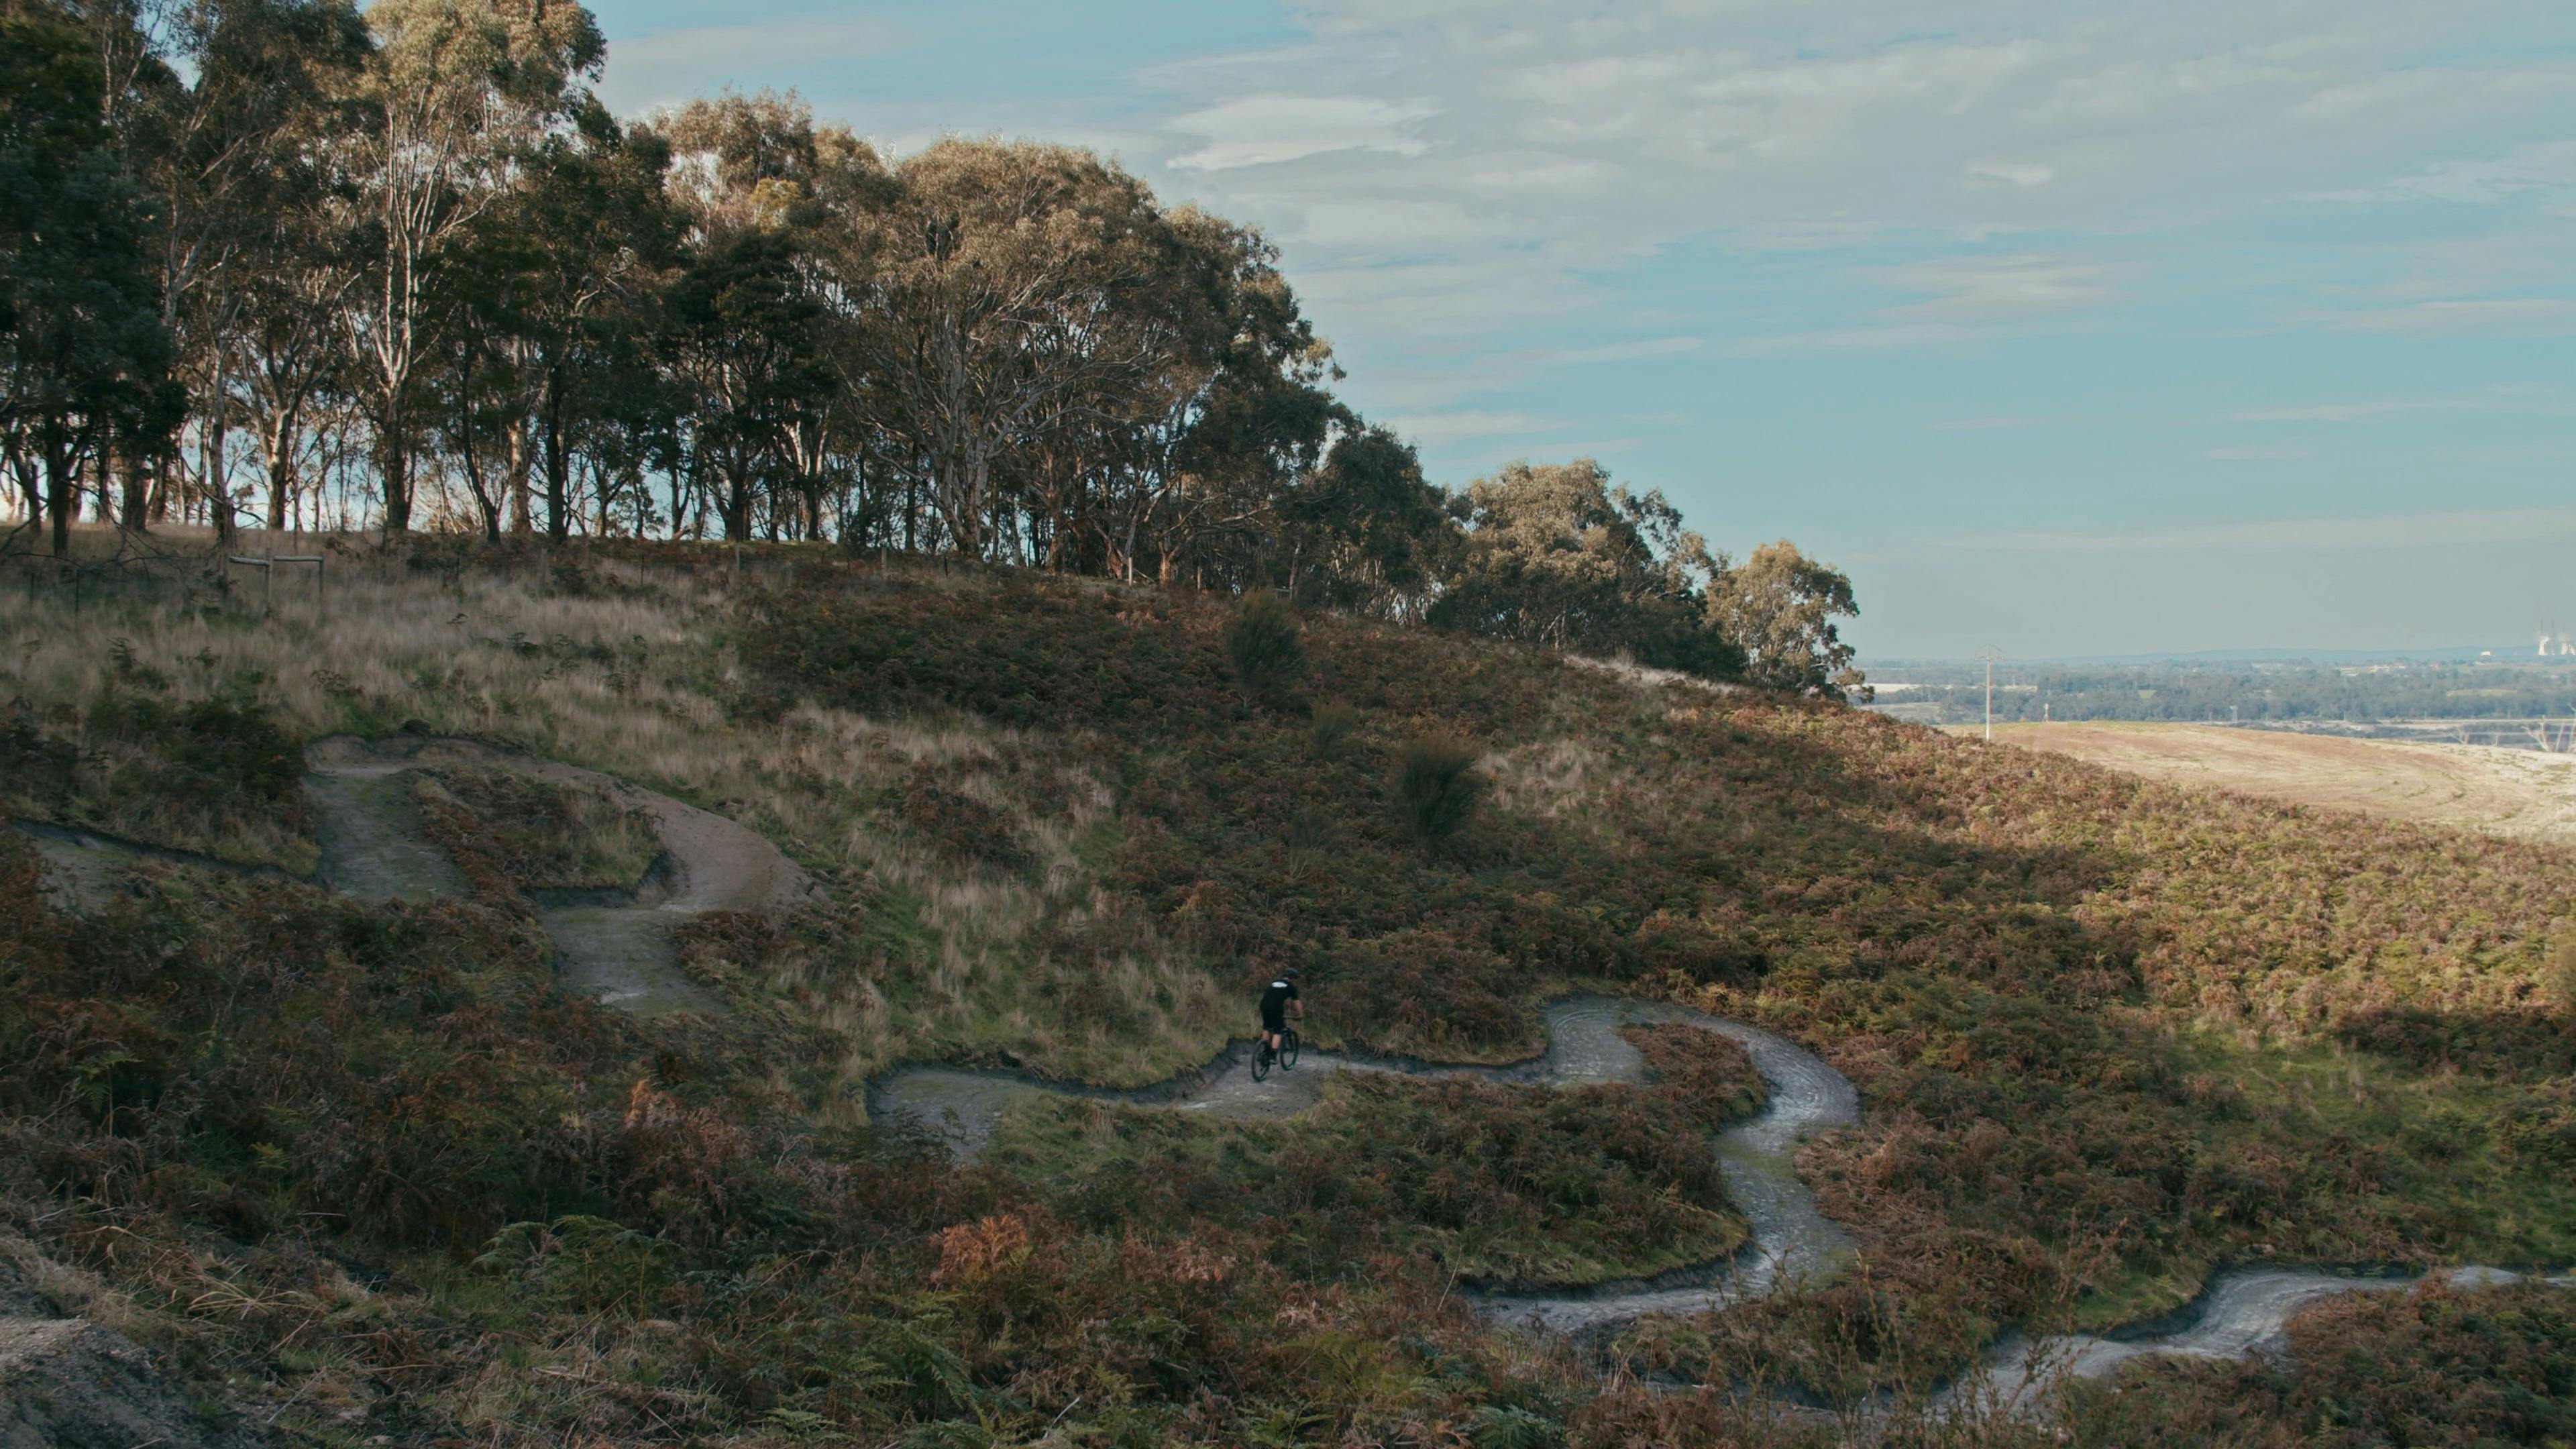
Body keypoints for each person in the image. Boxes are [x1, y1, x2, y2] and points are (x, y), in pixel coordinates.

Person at [1258, 967, 1302, 1061]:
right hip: (1276, 1008)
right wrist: (1300, 1015)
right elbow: (1296, 1002)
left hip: (1264, 1006)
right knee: (1278, 1031)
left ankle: (1265, 1051)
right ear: (1293, 979)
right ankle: (1273, 1055)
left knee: (1267, 1027)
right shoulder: (1290, 987)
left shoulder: (1273, 982)